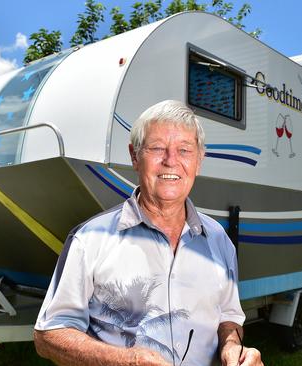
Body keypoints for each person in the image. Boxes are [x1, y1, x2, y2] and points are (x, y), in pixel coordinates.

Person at [34, 100, 263, 366]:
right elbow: (49, 335)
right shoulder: (89, 239)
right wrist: (125, 361)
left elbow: (229, 316)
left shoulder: (219, 240)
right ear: (134, 156)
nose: (171, 161)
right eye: (157, 148)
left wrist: (233, 345)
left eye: (184, 150)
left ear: (199, 160)